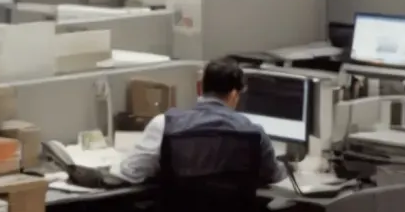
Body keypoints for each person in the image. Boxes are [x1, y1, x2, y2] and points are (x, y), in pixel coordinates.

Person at [113, 57, 283, 187]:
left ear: (200, 88)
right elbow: (273, 175)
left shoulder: (164, 124)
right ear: (233, 95)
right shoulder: (254, 134)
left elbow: (130, 171)